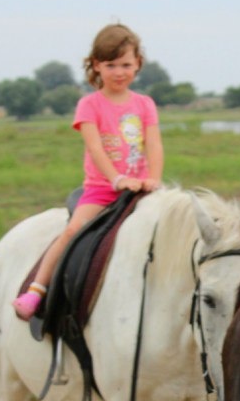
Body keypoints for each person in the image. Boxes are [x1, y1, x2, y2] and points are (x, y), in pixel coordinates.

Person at [12, 23, 163, 320]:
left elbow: (154, 144)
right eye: (110, 65)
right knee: (71, 231)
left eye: (126, 64)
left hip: (141, 187)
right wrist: (117, 179)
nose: (119, 72)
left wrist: (153, 178)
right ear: (96, 65)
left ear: (138, 65)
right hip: (102, 188)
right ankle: (37, 289)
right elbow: (96, 148)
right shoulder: (89, 105)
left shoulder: (144, 104)